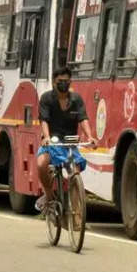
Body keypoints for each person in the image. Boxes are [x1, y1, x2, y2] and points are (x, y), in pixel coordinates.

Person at [35, 66, 97, 211]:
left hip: (69, 145)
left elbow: (83, 118)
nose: (63, 84)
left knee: (73, 172)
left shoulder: (76, 99)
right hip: (51, 143)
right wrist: (47, 137)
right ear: (53, 83)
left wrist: (90, 136)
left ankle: (76, 213)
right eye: (60, 81)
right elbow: (44, 119)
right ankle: (49, 196)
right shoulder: (46, 99)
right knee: (41, 164)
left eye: (66, 81)